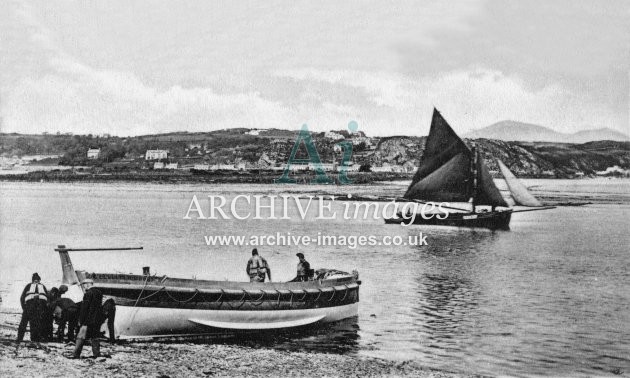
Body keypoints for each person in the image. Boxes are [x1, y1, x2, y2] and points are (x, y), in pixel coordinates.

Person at [72, 279, 103, 359]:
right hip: (97, 319)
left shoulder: (88, 293)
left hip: (87, 320)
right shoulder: (99, 293)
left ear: (88, 284)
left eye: (84, 284)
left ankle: (76, 354)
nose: (83, 286)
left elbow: (84, 308)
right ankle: (97, 354)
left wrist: (81, 321)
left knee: (81, 336)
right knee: (95, 337)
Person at [17, 273, 48, 342]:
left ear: (32, 279)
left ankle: (19, 338)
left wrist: (24, 307)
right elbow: (47, 298)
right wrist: (44, 308)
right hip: (39, 306)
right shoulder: (43, 286)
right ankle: (34, 339)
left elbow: (22, 297)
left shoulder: (28, 285)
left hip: (29, 306)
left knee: (24, 322)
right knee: (35, 323)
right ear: (39, 280)